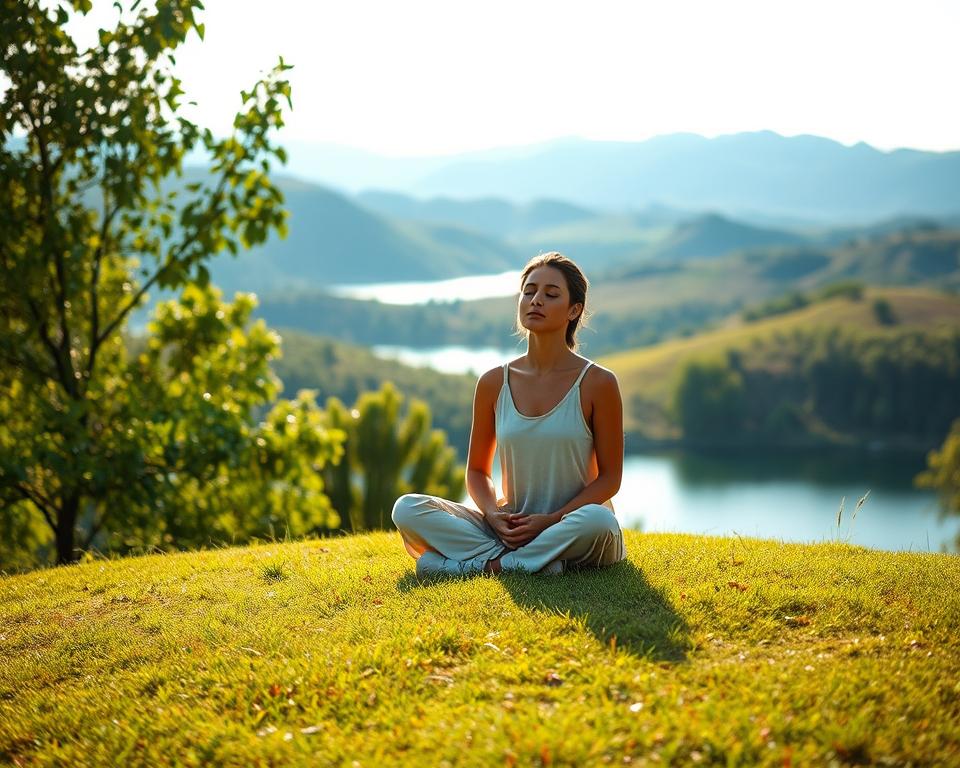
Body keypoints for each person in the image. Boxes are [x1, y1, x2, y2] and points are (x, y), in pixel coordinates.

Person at [391, 252, 627, 578]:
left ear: (574, 310)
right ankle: (536, 562)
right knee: (406, 508)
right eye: (529, 291)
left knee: (598, 520)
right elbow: (476, 470)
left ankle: (482, 566)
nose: (536, 300)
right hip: (510, 527)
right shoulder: (493, 382)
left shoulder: (599, 383)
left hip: (575, 526)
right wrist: (491, 514)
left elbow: (610, 479)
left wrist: (552, 520)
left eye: (551, 294)